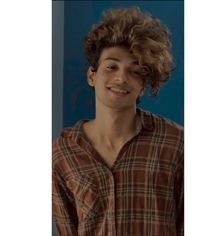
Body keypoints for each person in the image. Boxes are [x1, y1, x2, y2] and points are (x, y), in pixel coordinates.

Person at [52, 6, 184, 236]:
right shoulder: (62, 153)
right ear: (92, 76)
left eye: (135, 72)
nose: (121, 78)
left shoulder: (177, 144)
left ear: (143, 84)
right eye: (111, 66)